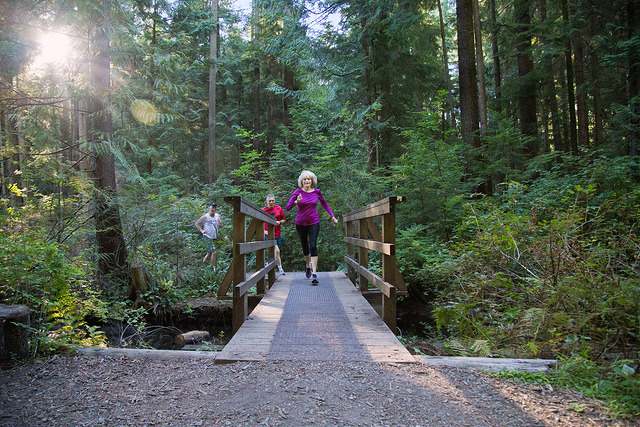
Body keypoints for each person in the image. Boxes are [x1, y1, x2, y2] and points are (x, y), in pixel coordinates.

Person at [285, 170, 338, 285]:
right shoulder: (297, 192)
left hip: (314, 222)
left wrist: (332, 216)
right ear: (302, 181)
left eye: (309, 179)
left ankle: (314, 274)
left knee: (313, 246)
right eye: (305, 179)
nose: (307, 181)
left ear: (312, 180)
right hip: (300, 223)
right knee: (305, 247)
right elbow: (287, 208)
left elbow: (324, 204)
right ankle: (307, 265)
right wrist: (296, 201)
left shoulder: (317, 192)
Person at [263, 194, 286, 275]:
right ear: (267, 202)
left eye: (273, 201)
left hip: (277, 234)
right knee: (277, 250)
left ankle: (267, 264)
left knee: (276, 253)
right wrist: (263, 231)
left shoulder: (278, 208)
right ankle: (280, 269)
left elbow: (284, 220)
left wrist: (279, 222)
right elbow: (258, 223)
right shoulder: (263, 210)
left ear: (274, 201)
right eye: (270, 201)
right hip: (268, 234)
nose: (271, 202)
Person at [195, 201, 223, 268]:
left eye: (215, 208)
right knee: (214, 252)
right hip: (207, 237)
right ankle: (214, 270)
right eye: (212, 208)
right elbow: (197, 223)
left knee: (209, 253)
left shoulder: (217, 216)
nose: (213, 209)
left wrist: (220, 224)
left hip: (214, 237)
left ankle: (203, 266)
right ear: (209, 208)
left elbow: (221, 226)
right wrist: (202, 230)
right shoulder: (205, 217)